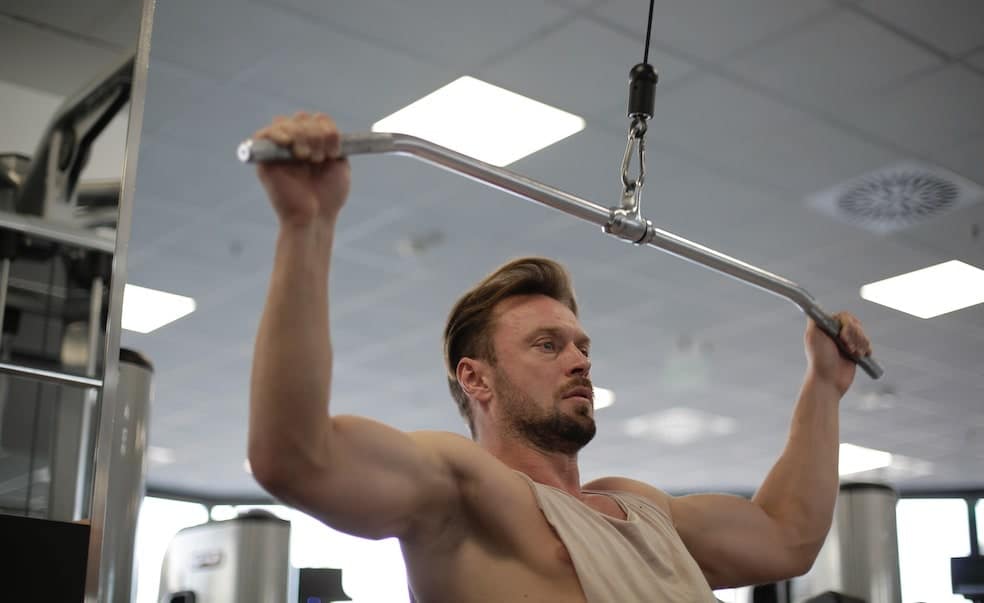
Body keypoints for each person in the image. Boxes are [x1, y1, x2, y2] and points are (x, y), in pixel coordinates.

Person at [247, 111, 874, 602]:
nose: (580, 362)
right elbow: (296, 460)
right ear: (475, 378)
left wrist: (824, 385)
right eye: (547, 345)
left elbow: (787, 536)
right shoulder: (464, 491)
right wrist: (307, 227)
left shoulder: (641, 508)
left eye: (582, 346)